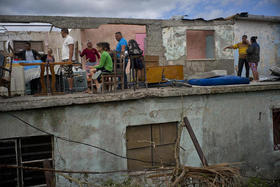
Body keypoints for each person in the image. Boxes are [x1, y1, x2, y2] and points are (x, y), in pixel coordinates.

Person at [61, 28, 75, 93]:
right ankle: (70, 88)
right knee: (68, 74)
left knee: (69, 74)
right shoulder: (66, 39)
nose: (61, 34)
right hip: (65, 59)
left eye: (61, 33)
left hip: (68, 59)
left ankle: (71, 89)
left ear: (64, 32)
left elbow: (71, 49)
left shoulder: (69, 38)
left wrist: (69, 59)